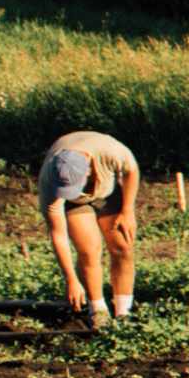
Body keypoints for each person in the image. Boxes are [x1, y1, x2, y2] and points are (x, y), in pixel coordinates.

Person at [37, 129, 141, 331]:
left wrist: (127, 211)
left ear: (87, 170)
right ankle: (98, 311)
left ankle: (123, 313)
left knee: (122, 246)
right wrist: (71, 280)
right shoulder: (50, 183)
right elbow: (59, 235)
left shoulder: (111, 151)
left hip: (106, 192)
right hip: (77, 205)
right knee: (89, 250)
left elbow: (132, 171)